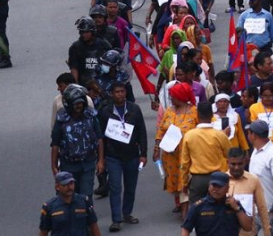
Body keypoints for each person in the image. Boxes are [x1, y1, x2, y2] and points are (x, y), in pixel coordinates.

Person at [97, 82, 146, 231]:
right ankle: (116, 219)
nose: (120, 94)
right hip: (113, 156)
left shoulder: (134, 110)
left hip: (132, 155)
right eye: (117, 92)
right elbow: (101, 138)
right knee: (115, 187)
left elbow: (142, 132)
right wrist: (102, 158)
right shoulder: (105, 112)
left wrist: (143, 154)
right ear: (112, 94)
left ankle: (127, 213)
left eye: (122, 91)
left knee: (130, 187)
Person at [154, 82, 200, 218]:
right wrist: (156, 149)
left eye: (173, 96)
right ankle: (182, 206)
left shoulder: (194, 112)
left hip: (188, 155)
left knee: (185, 181)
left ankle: (186, 212)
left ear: (181, 96)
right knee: (176, 182)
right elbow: (161, 130)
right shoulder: (169, 111)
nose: (171, 98)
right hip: (171, 156)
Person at [51, 85, 104, 198]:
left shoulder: (90, 116)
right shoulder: (61, 119)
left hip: (88, 162)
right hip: (68, 164)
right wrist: (54, 166)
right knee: (69, 195)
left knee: (86, 195)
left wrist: (100, 160)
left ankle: (87, 215)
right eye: (76, 103)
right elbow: (55, 144)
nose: (79, 106)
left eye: (80, 103)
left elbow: (99, 138)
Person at [181, 101, 232, 205]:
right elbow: (230, 155)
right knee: (218, 209)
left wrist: (184, 182)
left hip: (197, 180)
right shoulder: (220, 135)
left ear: (197, 115)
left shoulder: (189, 135)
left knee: (196, 210)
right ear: (212, 115)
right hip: (217, 179)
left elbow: (185, 163)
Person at [181, 171, 254, 236]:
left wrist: (237, 209)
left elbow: (248, 227)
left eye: (219, 186)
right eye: (213, 185)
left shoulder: (234, 204)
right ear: (209, 186)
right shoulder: (199, 206)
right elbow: (186, 228)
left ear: (227, 188)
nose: (216, 189)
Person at [225, 147, 271, 236]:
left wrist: (267, 231)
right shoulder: (221, 180)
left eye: (240, 164)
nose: (236, 167)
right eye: (233, 164)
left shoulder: (254, 180)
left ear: (245, 162)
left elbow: (262, 207)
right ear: (227, 163)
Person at [40, 172, 102, 236]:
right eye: (65, 184)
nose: (69, 187)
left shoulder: (84, 202)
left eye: (71, 183)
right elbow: (44, 231)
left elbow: (93, 225)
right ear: (57, 187)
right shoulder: (49, 207)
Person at [248, 119, 273, 210]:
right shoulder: (256, 150)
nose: (248, 135)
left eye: (249, 133)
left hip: (270, 210)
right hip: (257, 210)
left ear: (253, 135)